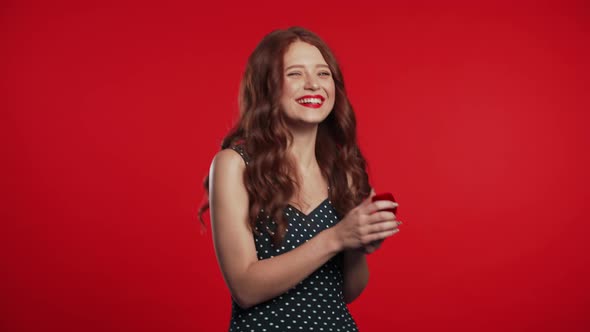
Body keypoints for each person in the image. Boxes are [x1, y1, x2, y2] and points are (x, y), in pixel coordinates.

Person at [199, 26, 402, 332]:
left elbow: (347, 292)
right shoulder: (234, 165)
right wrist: (337, 238)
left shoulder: (343, 172)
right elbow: (244, 288)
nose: (313, 85)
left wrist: (358, 245)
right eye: (295, 74)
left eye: (323, 74)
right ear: (268, 86)